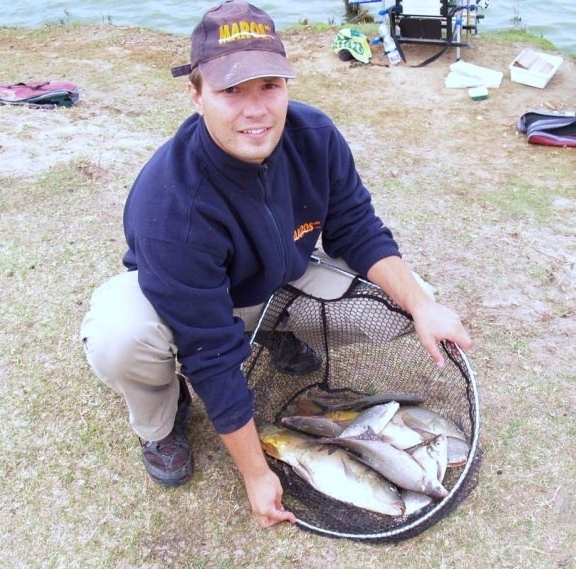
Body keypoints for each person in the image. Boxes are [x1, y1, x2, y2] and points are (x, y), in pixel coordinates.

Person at [80, 0, 472, 529]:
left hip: (280, 277)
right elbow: (209, 351)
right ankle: (161, 421)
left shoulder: (314, 135)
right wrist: (255, 471)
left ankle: (273, 332)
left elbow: (357, 228)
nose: (256, 109)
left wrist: (423, 307)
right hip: (193, 304)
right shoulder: (170, 203)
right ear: (196, 95)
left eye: (269, 85)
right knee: (119, 337)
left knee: (405, 297)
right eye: (231, 90)